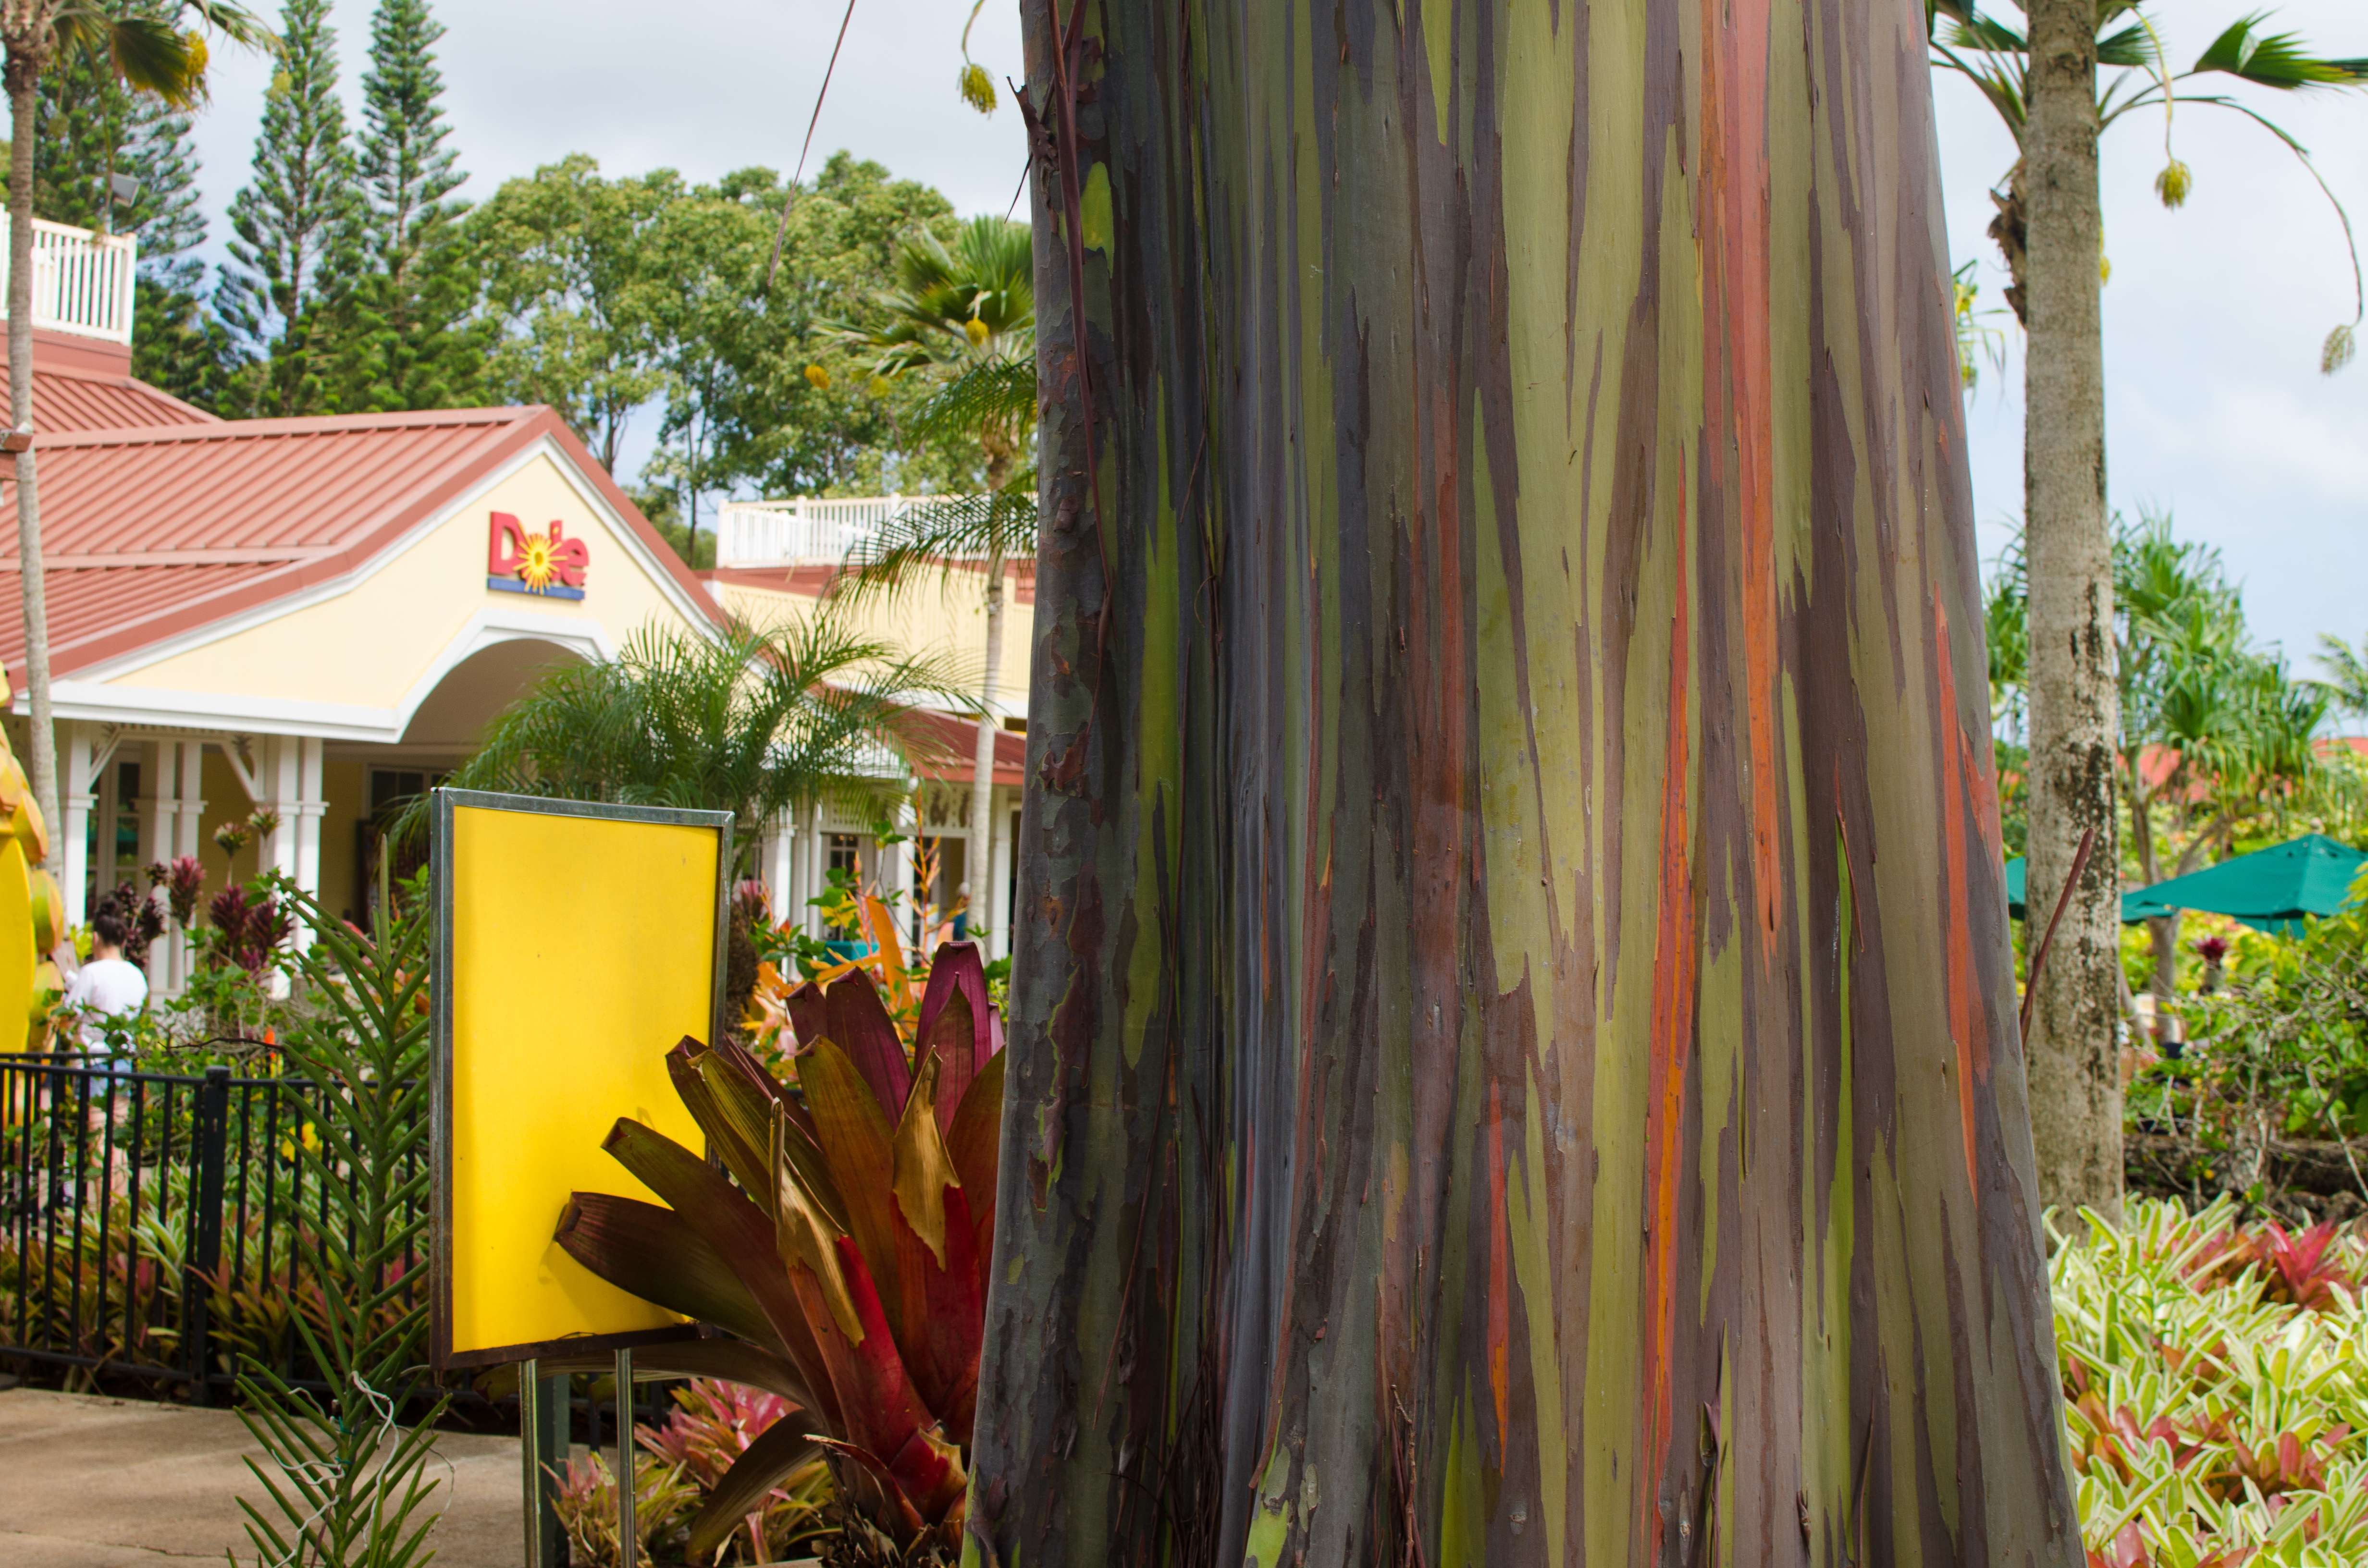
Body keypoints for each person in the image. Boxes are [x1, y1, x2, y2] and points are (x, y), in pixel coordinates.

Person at [60, 909, 148, 1052]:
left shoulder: (91, 973)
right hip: (124, 1060)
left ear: (95, 938)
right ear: (122, 940)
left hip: (92, 1061)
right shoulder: (137, 975)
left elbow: (68, 1019)